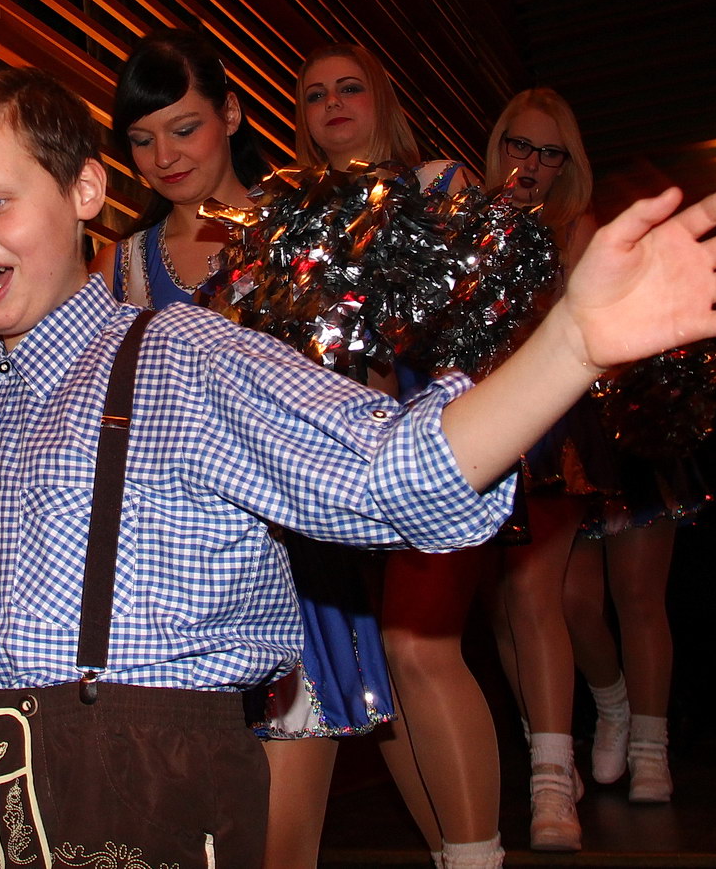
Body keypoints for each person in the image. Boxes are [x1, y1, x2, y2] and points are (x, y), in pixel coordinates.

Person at [0, 66, 716, 869]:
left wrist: (571, 345)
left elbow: (391, 473)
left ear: (84, 190)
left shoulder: (184, 360)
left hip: (147, 809)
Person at [92, 29, 389, 869]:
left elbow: (366, 387)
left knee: (277, 850)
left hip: (296, 575)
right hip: (170, 593)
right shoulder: (118, 267)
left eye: (184, 127)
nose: (164, 156)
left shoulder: (305, 225)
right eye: (142, 139)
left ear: (230, 113)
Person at [298, 44, 515, 868]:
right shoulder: (294, 221)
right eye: (315, 94)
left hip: (441, 441)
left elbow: (489, 312)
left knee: (419, 648)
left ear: (383, 101)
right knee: (381, 681)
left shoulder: (436, 183)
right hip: (341, 465)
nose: (333, 103)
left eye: (350, 87)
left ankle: (479, 857)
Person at [480, 89, 599, 852]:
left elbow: (575, 329)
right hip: (478, 421)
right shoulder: (463, 218)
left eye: (549, 153)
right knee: (500, 609)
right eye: (519, 145)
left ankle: (552, 781)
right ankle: (549, 748)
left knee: (535, 594)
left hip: (552, 422)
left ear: (567, 166)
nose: (530, 162)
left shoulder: (576, 230)